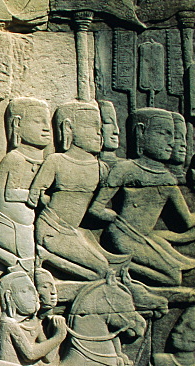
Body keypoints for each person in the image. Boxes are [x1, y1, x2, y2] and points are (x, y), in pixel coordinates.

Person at [89, 108, 195, 286]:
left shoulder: (167, 179)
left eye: (172, 136)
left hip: (143, 237)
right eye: (163, 134)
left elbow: (186, 221)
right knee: (173, 277)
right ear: (141, 132)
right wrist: (113, 217)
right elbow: (96, 208)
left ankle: (119, 267)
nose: (171, 142)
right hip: (122, 235)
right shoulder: (125, 169)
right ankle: (114, 268)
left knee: (178, 267)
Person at [27, 100, 123, 280]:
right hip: (52, 228)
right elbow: (35, 195)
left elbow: (98, 207)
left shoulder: (101, 168)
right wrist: (47, 200)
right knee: (102, 270)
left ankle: (48, 256)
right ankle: (47, 257)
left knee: (110, 266)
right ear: (68, 128)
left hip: (76, 231)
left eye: (100, 128)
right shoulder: (56, 161)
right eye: (92, 127)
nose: (99, 134)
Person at [0, 98, 51, 273]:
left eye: (47, 121)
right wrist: (33, 195)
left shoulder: (44, 160)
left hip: (29, 224)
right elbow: (7, 194)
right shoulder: (15, 159)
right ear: (17, 124)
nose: (46, 127)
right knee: (27, 264)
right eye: (37, 121)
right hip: (13, 226)